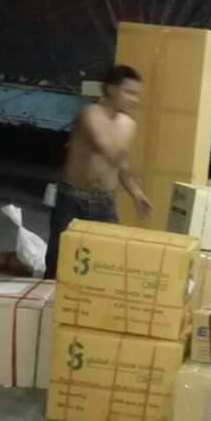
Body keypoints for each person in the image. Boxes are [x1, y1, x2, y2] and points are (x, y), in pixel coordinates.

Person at [44, 65, 153, 279]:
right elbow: (106, 149)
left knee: (105, 266)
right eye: (129, 92)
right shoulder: (90, 114)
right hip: (72, 200)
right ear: (111, 89)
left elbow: (121, 164)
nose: (134, 100)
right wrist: (120, 152)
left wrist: (136, 193)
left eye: (137, 94)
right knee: (59, 264)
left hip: (105, 203)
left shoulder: (129, 125)